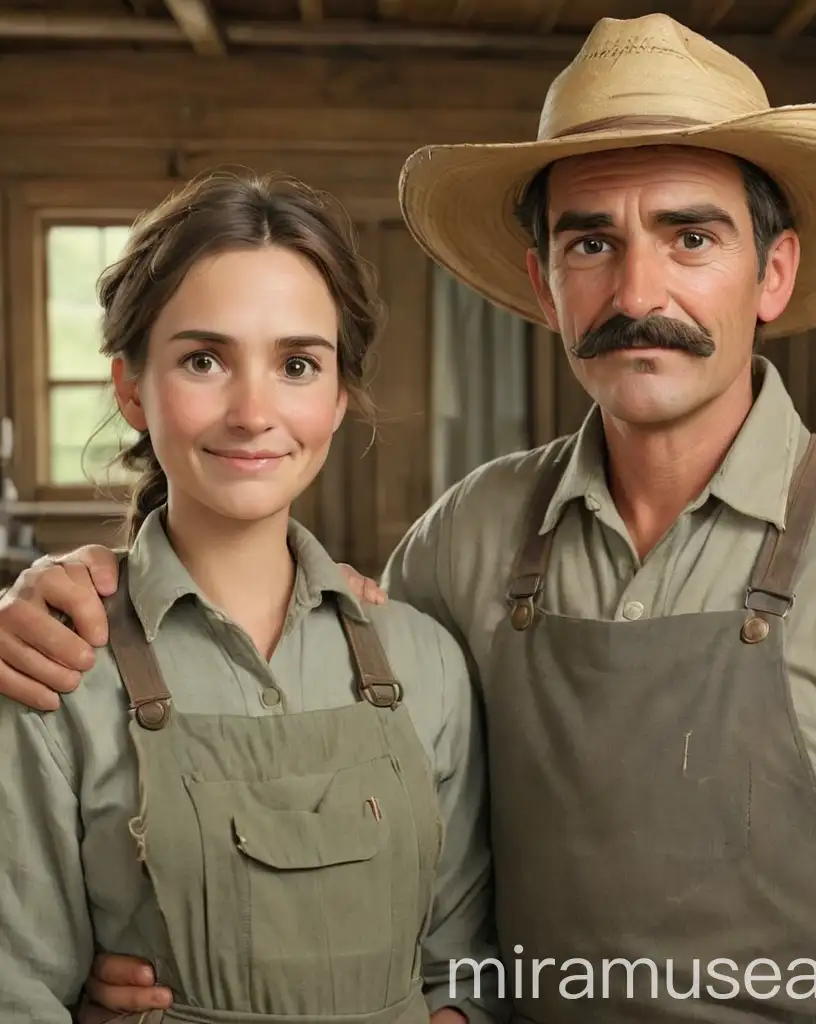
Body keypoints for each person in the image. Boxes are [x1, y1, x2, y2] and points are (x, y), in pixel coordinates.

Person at [3, 11, 816, 1022]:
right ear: (543, 283)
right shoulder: (468, 540)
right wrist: (80, 595)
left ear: (774, 270)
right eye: (591, 241)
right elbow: (304, 696)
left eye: (691, 236)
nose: (636, 287)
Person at [0, 169, 505, 1024]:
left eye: (297, 364)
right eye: (204, 359)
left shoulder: (424, 660)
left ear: (339, 397)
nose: (252, 411)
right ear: (131, 388)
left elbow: (465, 968)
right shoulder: (56, 667)